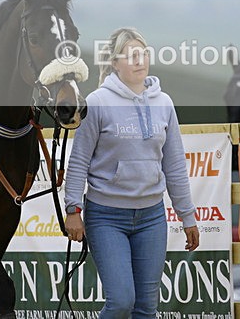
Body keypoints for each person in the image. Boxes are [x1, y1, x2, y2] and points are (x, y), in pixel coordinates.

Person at [63, 27, 200, 318]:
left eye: (143, 54)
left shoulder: (164, 104)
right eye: (131, 56)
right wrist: (72, 208)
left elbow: (174, 165)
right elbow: (78, 161)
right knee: (122, 301)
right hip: (106, 217)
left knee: (147, 308)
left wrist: (187, 216)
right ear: (115, 63)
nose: (139, 61)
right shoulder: (97, 103)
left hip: (152, 218)